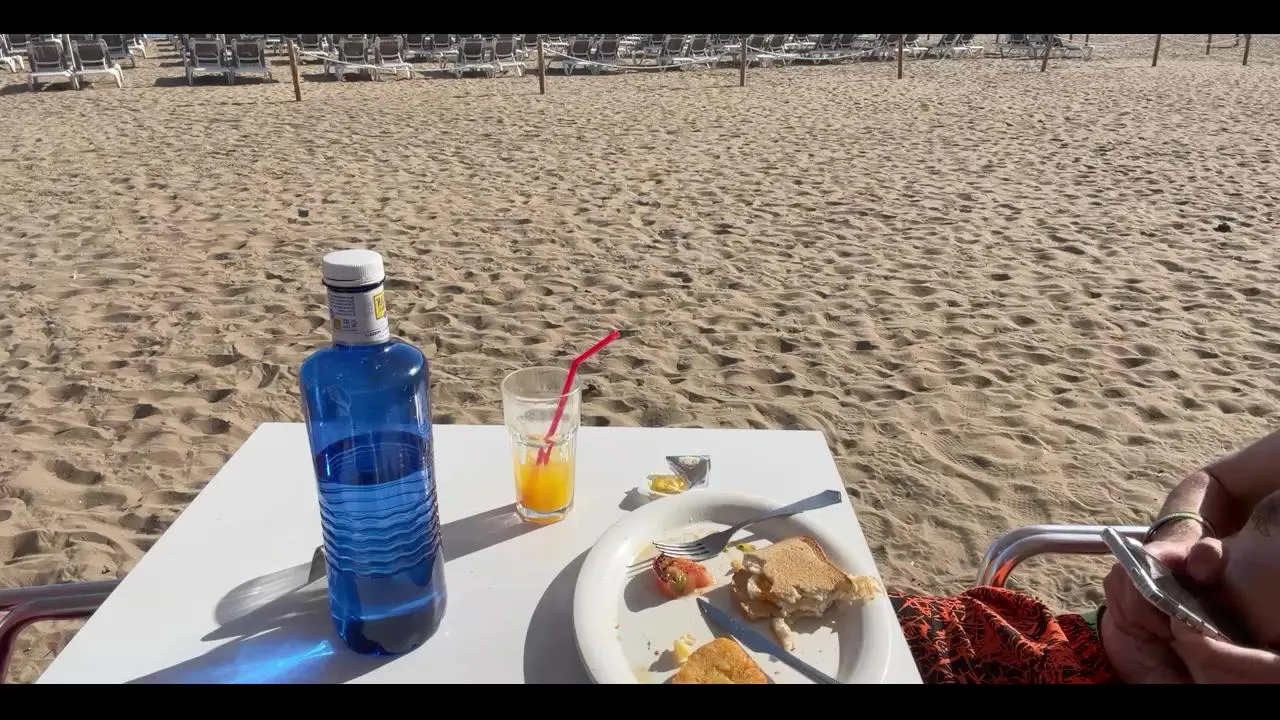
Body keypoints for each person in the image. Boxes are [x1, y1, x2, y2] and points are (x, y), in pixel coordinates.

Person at [890, 430, 1280, 684]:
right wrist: (1181, 534)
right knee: (874, 626)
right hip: (1058, 643)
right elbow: (1216, 481)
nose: (1208, 552)